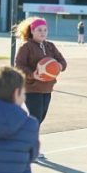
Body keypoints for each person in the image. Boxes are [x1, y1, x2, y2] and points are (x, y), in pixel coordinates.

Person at [14, 17, 67, 162]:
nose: (43, 33)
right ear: (32, 31)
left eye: (45, 30)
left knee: (40, 118)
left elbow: (62, 61)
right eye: (39, 30)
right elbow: (19, 65)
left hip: (47, 88)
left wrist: (59, 66)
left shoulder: (50, 46)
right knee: (35, 119)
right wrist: (33, 75)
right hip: (32, 88)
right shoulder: (26, 46)